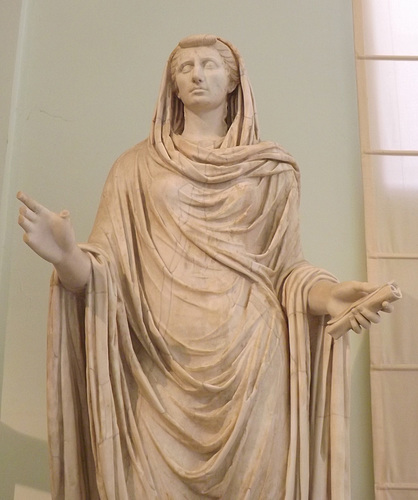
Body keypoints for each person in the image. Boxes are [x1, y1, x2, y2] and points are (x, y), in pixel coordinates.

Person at [17, 34, 392, 499]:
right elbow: (103, 271)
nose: (197, 74)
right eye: (185, 67)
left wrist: (328, 295)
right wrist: (66, 257)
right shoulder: (135, 168)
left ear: (233, 81)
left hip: (252, 353)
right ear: (171, 84)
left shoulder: (271, 170)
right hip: (158, 358)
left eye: (210, 64)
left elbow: (287, 270)